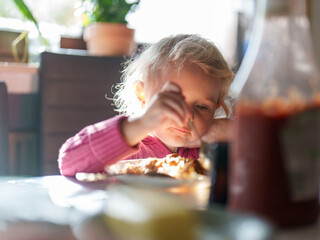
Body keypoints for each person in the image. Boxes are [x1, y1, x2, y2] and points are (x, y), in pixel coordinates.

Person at [58, 34, 234, 177]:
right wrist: (142, 123)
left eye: (201, 107)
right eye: (173, 102)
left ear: (216, 108)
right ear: (141, 94)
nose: (187, 115)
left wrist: (228, 131)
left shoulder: (211, 155)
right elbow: (69, 163)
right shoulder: (129, 153)